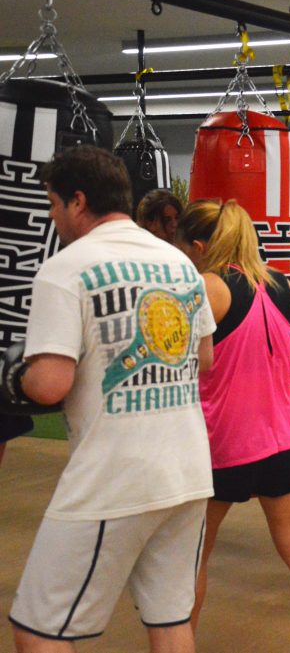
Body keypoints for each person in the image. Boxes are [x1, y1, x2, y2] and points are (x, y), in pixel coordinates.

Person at [3, 145, 215, 653]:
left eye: (54, 205)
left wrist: (14, 378)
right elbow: (204, 361)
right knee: (169, 619)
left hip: (114, 476)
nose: (54, 218)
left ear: (78, 201)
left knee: (38, 628)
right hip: (187, 471)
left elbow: (50, 384)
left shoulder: (66, 268)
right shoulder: (180, 264)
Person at [176, 200, 290, 653]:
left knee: (189, 559)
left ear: (199, 246)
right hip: (283, 443)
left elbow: (183, 361)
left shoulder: (207, 287)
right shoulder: (282, 285)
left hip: (223, 446)